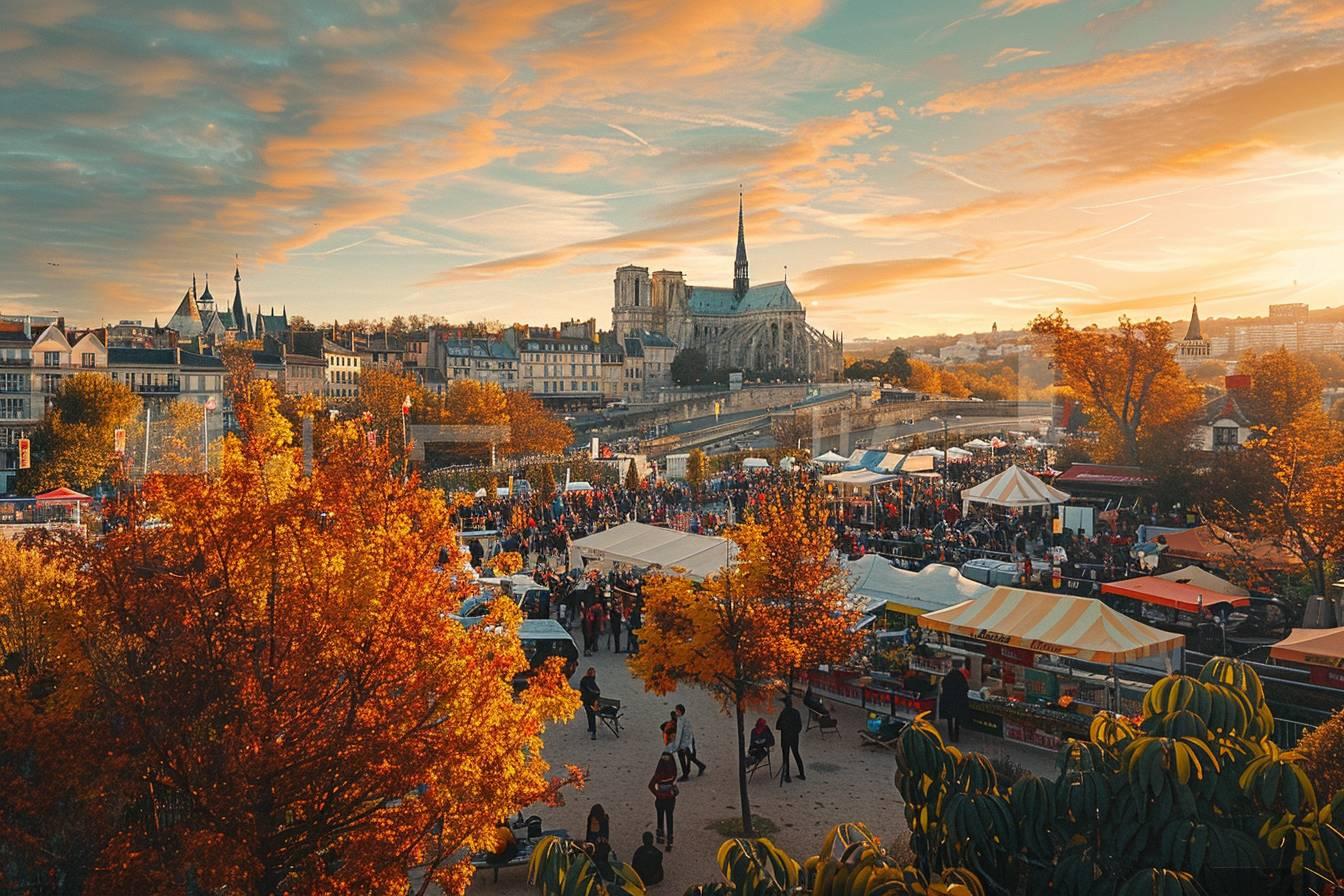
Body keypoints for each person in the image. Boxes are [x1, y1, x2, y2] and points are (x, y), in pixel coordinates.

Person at [648, 751, 679, 851]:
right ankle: (670, 838)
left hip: (660, 799)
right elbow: (674, 784)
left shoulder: (658, 774)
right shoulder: (673, 772)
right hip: (670, 799)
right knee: (669, 818)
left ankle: (660, 836)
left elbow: (651, 785)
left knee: (660, 817)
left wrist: (658, 794)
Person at [940, 659, 970, 743]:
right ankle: (956, 737)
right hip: (958, 701)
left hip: (949, 701)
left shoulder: (949, 676)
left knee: (949, 719)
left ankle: (950, 736)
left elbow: (943, 684)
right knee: (957, 720)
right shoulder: (961, 676)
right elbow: (966, 688)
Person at [776, 696, 804, 783]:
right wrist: (794, 732)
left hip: (785, 737)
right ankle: (802, 774)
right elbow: (799, 726)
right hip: (794, 737)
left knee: (786, 756)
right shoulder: (796, 712)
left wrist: (785, 729)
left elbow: (778, 726)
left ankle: (787, 776)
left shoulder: (784, 713)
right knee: (796, 754)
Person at [673, 704, 706, 780]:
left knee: (684, 756)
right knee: (690, 757)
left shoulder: (681, 721)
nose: (676, 712)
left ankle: (685, 775)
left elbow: (681, 734)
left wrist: (677, 745)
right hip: (687, 742)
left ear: (680, 712)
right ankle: (699, 766)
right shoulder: (683, 720)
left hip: (686, 743)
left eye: (677, 711)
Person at [579, 667, 601, 740]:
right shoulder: (590, 681)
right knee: (591, 715)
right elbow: (595, 691)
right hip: (591, 701)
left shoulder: (584, 679)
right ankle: (593, 731)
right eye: (594, 673)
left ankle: (591, 727)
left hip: (585, 700)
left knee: (589, 714)